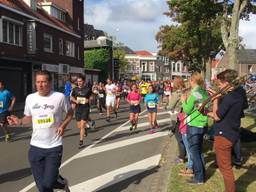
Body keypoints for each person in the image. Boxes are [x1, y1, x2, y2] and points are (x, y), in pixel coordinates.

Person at [7, 70, 73, 192]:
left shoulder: (59, 97)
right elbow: (29, 117)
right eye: (38, 82)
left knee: (48, 183)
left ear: (50, 82)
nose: (40, 85)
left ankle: (62, 183)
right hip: (36, 147)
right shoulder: (30, 98)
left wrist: (63, 125)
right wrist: (20, 121)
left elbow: (70, 113)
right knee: (42, 188)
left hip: (54, 146)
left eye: (43, 82)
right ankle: (56, 180)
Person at [207, 69, 247, 192]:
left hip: (224, 134)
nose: (219, 86)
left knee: (225, 168)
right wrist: (220, 96)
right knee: (226, 166)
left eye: (220, 83)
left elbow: (217, 116)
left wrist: (214, 99)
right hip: (233, 131)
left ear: (226, 83)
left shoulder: (229, 97)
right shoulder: (239, 93)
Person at [181, 72, 208, 184]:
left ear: (192, 81)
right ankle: (201, 174)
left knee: (194, 152)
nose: (189, 83)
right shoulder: (203, 92)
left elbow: (187, 110)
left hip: (194, 124)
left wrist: (183, 101)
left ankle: (199, 177)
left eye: (189, 81)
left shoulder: (194, 93)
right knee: (199, 151)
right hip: (203, 123)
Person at [168, 77, 187, 165]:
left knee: (179, 138)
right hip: (185, 116)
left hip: (176, 117)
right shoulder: (186, 91)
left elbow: (170, 106)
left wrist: (166, 105)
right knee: (184, 136)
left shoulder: (176, 94)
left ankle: (182, 157)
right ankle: (184, 154)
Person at [71, 75, 92, 148]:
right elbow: (71, 97)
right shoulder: (75, 89)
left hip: (85, 108)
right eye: (78, 81)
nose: (79, 82)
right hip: (78, 109)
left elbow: (91, 97)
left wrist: (88, 100)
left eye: (80, 81)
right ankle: (85, 130)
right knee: (79, 126)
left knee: (82, 125)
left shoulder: (88, 89)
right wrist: (75, 101)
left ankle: (81, 140)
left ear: (83, 81)